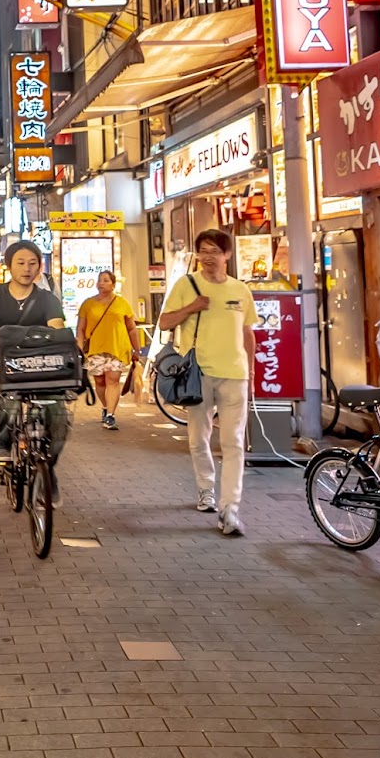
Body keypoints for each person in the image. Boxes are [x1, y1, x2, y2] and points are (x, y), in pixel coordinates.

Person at [156, 230, 256, 537]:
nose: (209, 256)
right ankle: (205, 490)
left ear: (227, 255)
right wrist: (191, 308)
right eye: (203, 250)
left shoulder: (240, 289)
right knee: (199, 438)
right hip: (197, 375)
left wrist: (250, 373)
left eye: (215, 250)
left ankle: (230, 508)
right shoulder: (186, 285)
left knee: (234, 443)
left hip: (235, 374)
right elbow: (164, 323)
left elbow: (248, 333)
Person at [0, 240, 68, 465]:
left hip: (42, 370)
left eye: (32, 263)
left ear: (39, 267)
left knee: (59, 417)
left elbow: (57, 328)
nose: (27, 268)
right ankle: (1, 442)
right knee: (11, 399)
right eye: (21, 263)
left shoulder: (48, 299)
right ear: (9, 266)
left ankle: (48, 472)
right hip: (5, 368)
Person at [76, 269, 145, 431]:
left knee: (112, 380)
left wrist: (137, 349)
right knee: (99, 381)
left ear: (113, 284)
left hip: (117, 348)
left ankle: (111, 415)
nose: (101, 283)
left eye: (106, 280)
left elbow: (131, 329)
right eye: (100, 280)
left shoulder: (122, 303)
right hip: (95, 349)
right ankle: (106, 407)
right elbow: (80, 329)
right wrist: (78, 349)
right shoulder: (88, 304)